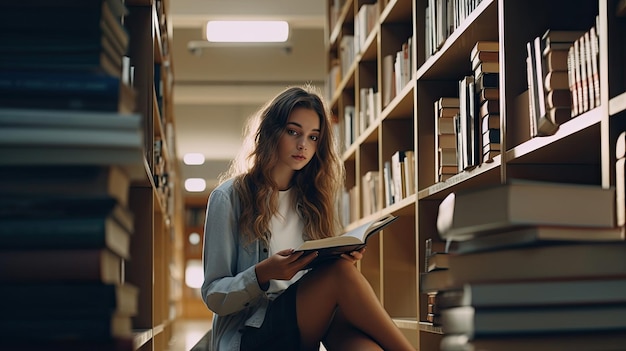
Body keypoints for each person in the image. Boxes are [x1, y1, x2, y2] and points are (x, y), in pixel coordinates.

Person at [201, 85, 414, 351]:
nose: (303, 145)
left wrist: (339, 254)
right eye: (293, 132)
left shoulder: (314, 199)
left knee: (366, 347)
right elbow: (213, 295)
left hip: (308, 322)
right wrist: (264, 273)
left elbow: (320, 276)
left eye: (313, 137)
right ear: (272, 132)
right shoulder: (228, 197)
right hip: (251, 335)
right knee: (339, 273)